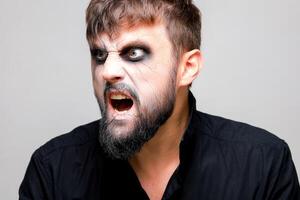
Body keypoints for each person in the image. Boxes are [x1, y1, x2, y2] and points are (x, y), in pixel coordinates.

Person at [19, 0, 300, 199]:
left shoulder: (263, 165)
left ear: (187, 68)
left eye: (134, 53)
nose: (108, 71)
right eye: (99, 55)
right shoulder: (52, 171)